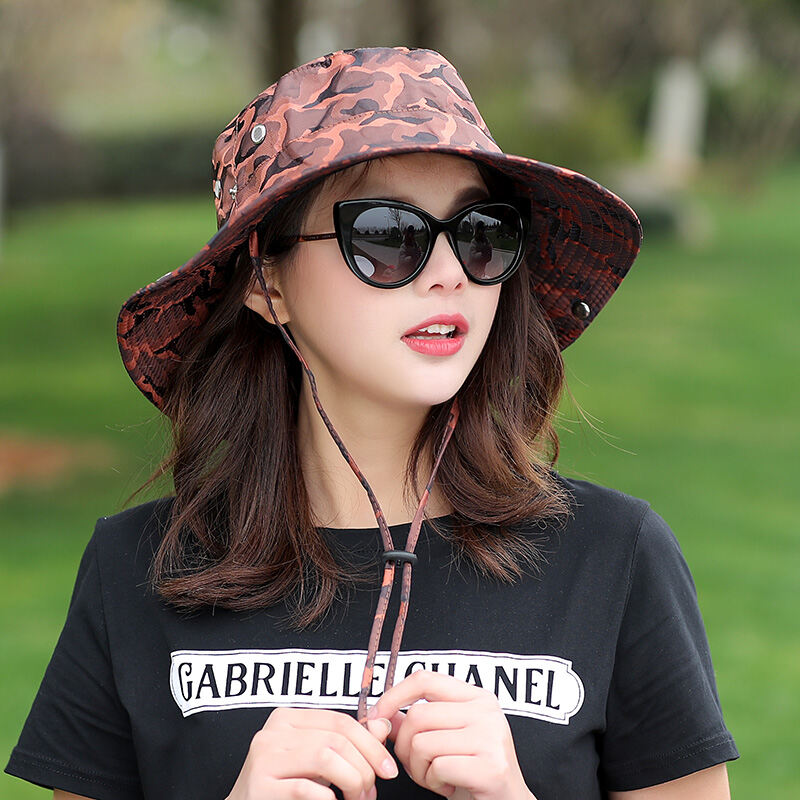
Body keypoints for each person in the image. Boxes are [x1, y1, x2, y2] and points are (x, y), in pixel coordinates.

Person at [5, 46, 739, 800]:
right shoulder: (139, 573)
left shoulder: (613, 558)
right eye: (388, 235)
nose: (449, 273)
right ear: (265, 282)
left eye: (481, 231)